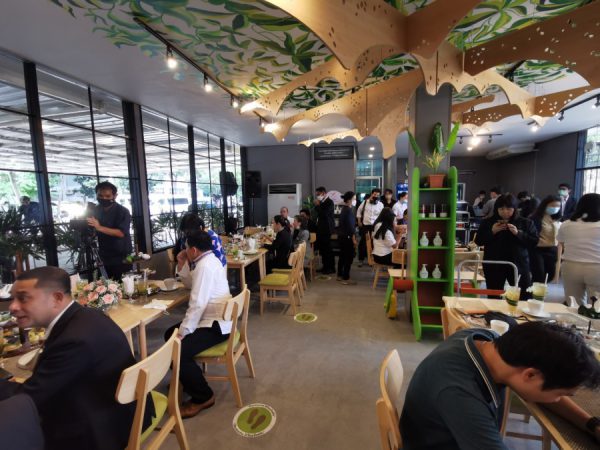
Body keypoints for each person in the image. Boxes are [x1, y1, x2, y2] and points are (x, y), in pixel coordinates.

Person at [0, 267, 152, 449]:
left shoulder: (74, 340)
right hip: (119, 408)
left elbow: (27, 399)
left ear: (57, 298)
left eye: (23, 298)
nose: (13, 307)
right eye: (13, 298)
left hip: (103, 430)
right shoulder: (89, 314)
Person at [400, 322, 600, 449]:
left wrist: (591, 424)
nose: (558, 400)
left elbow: (543, 389)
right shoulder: (460, 394)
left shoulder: (489, 341)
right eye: (560, 394)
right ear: (530, 374)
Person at [166, 230, 232, 419]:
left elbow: (197, 304)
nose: (185, 250)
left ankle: (204, 396)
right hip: (214, 319)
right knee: (169, 334)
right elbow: (191, 284)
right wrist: (181, 262)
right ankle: (187, 378)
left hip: (216, 325)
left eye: (186, 248)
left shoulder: (204, 266)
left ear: (194, 249)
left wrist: (184, 331)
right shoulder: (208, 260)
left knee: (177, 351)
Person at [475, 194, 538, 298]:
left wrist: (518, 233)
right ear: (496, 209)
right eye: (501, 209)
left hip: (519, 264)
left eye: (509, 209)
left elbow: (534, 242)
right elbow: (478, 241)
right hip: (494, 264)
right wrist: (492, 232)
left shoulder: (525, 222)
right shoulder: (488, 222)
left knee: (523, 294)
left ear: (514, 209)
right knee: (494, 295)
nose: (505, 212)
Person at [557, 193, 600, 305]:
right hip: (597, 267)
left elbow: (562, 244)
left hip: (571, 266)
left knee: (573, 303)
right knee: (596, 306)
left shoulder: (566, 224)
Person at [86, 181, 132, 280]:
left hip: (121, 256)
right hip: (103, 255)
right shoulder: (96, 210)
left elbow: (121, 233)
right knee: (104, 285)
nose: (104, 198)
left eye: (107, 196)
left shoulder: (123, 211)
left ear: (115, 196)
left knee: (122, 285)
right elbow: (93, 229)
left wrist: (99, 227)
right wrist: (92, 231)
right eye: (100, 196)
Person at [529, 195, 562, 283]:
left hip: (552, 249)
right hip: (537, 249)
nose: (555, 208)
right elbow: (531, 235)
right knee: (539, 274)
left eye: (558, 206)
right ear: (545, 205)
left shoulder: (557, 219)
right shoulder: (535, 218)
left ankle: (538, 288)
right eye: (552, 206)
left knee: (550, 274)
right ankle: (535, 289)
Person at [356, 188, 383, 267]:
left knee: (373, 243)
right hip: (365, 226)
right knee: (363, 243)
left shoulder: (380, 204)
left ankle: (371, 260)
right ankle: (361, 260)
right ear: (371, 194)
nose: (376, 196)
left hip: (375, 226)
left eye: (377, 195)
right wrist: (359, 221)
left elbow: (381, 216)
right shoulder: (365, 202)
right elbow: (359, 211)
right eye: (374, 194)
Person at [314, 186, 336, 274]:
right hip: (321, 229)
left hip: (327, 229)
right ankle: (325, 266)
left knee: (327, 249)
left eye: (318, 194)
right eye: (317, 195)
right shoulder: (322, 201)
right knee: (323, 249)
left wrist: (317, 205)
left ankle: (330, 268)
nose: (317, 196)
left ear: (323, 193)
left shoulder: (329, 202)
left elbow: (324, 214)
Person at [337, 191, 357, 285]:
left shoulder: (344, 209)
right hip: (347, 237)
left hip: (342, 236)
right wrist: (354, 238)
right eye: (354, 199)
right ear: (349, 200)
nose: (355, 200)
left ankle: (340, 275)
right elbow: (350, 227)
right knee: (348, 258)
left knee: (342, 256)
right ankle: (345, 278)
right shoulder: (348, 211)